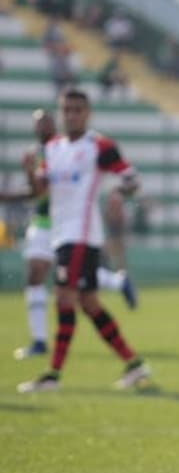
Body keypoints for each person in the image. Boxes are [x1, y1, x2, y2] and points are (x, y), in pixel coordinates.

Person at [17, 88, 149, 393]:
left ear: (87, 113)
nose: (72, 115)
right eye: (67, 110)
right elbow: (39, 191)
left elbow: (132, 178)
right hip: (61, 233)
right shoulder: (52, 148)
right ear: (61, 112)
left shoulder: (98, 145)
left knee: (64, 298)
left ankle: (52, 375)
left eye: (78, 110)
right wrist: (28, 173)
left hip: (81, 235)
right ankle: (134, 364)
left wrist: (118, 192)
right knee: (89, 303)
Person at [0, 108, 137, 361]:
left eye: (46, 123)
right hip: (49, 224)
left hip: (70, 228)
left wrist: (120, 191)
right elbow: (36, 190)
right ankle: (131, 359)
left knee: (61, 289)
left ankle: (52, 369)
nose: (42, 128)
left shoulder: (72, 148)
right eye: (38, 124)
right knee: (80, 296)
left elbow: (126, 177)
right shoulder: (45, 152)